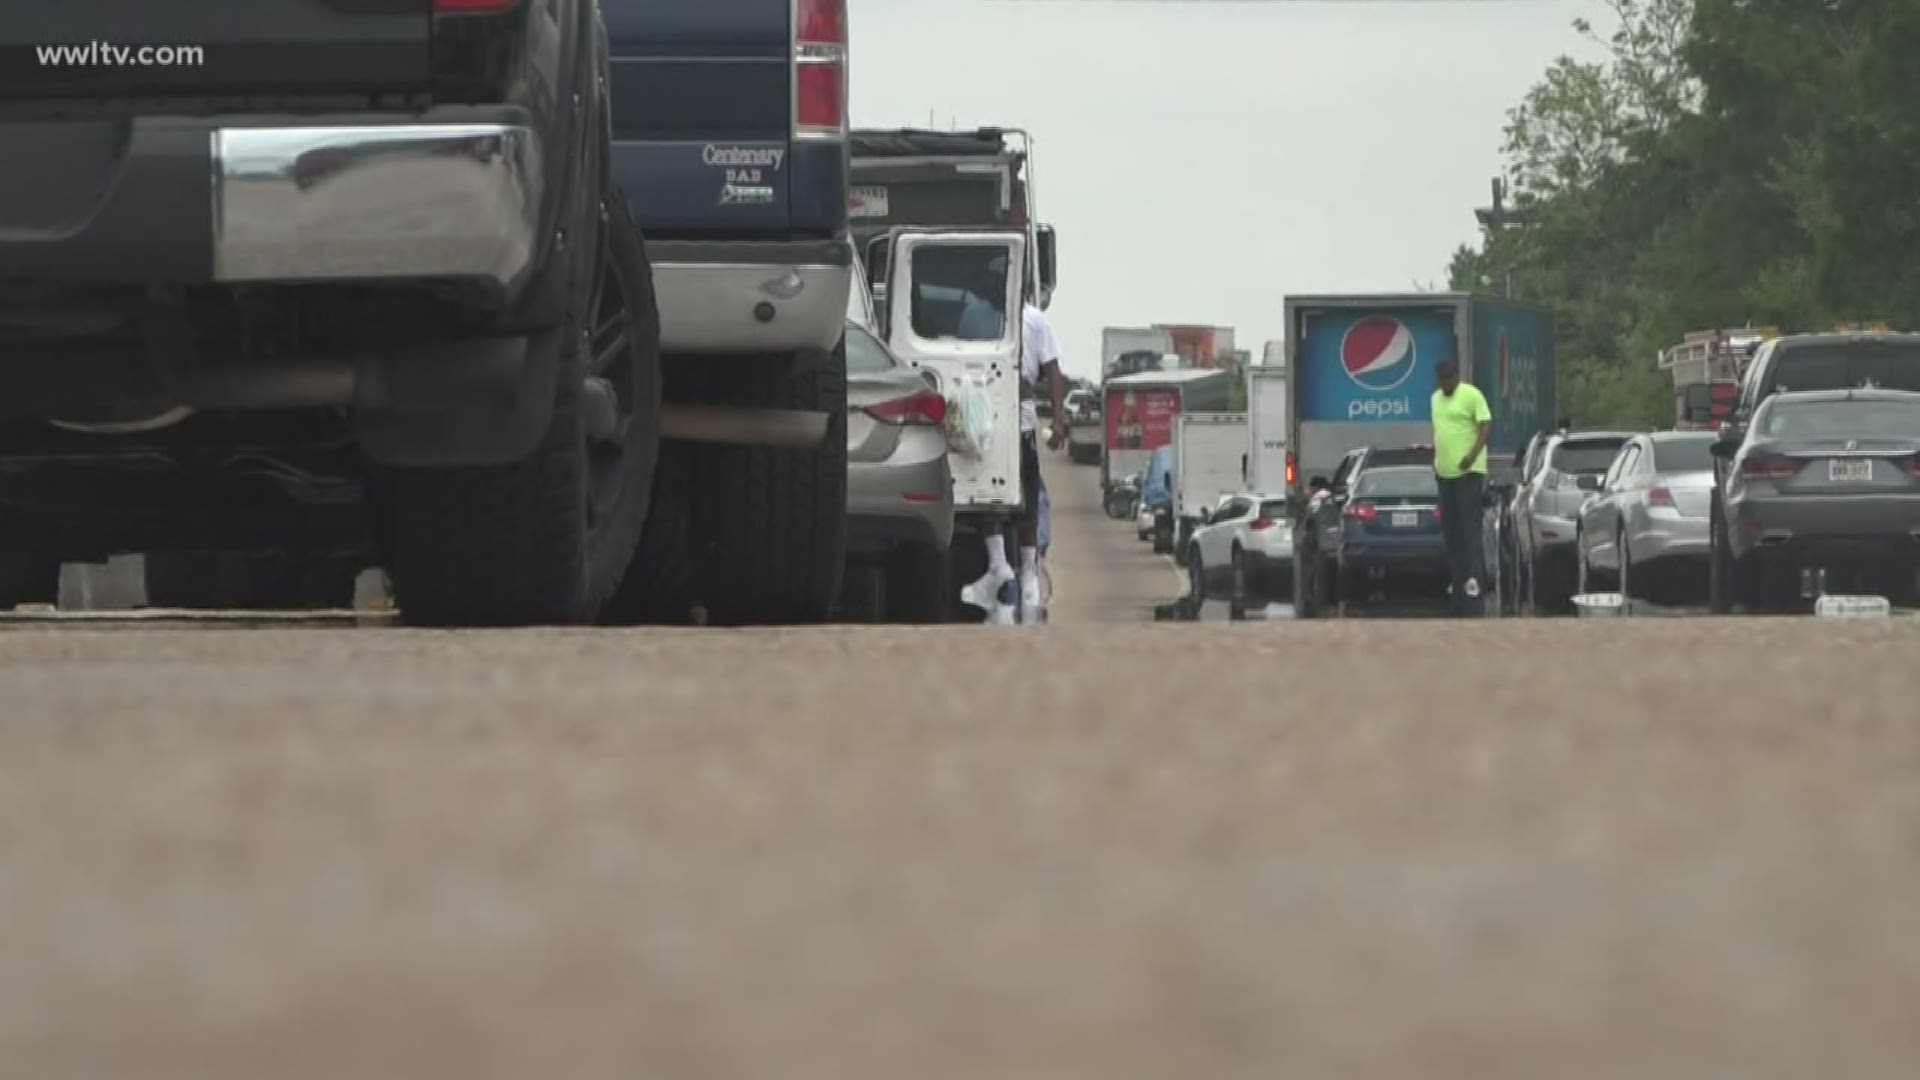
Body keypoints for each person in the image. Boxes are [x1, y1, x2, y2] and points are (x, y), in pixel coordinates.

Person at [962, 288, 1068, 623]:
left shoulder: (1030, 319)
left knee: (1014, 493)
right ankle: (1013, 571)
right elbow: (1052, 370)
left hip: (1003, 415)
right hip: (995, 413)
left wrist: (1059, 418)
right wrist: (1059, 420)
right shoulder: (983, 315)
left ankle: (1013, 570)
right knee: (999, 493)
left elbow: (1052, 370)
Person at [1431, 357, 1492, 613]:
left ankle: (1475, 581)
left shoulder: (1471, 395)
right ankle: (1457, 581)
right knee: (1451, 531)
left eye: (1449, 377)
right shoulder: (1435, 399)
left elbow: (1486, 425)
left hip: (1469, 472)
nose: (1446, 383)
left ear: (1457, 375)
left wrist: (1473, 453)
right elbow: (1440, 431)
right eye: (1442, 378)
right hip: (1445, 474)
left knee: (1470, 530)